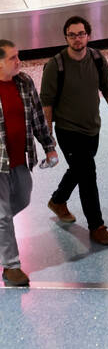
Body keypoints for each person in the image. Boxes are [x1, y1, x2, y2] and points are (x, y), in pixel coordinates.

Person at [40, 16, 108, 246]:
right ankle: (97, 226)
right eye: (72, 35)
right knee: (88, 173)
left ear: (88, 35)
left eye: (81, 34)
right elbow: (46, 102)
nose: (77, 39)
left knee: (80, 168)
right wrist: (48, 136)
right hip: (68, 130)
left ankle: (58, 200)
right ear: (66, 37)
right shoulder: (55, 65)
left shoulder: (97, 59)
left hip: (92, 128)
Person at [0, 39, 58, 287]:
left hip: (19, 159)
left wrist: (49, 147)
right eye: (13, 58)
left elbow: (36, 117)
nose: (18, 62)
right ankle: (11, 267)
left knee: (23, 198)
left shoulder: (24, 82)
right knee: (2, 216)